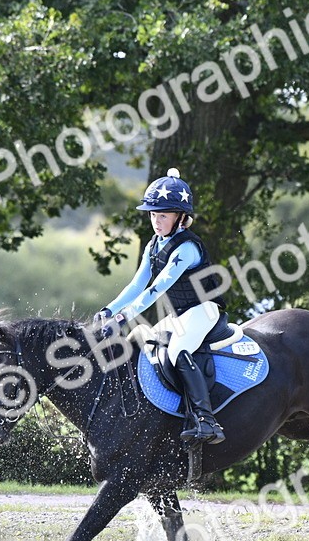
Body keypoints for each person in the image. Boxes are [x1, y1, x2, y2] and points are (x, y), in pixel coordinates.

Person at [94, 168, 226, 444]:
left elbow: (157, 289)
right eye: (153, 214)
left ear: (180, 217)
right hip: (180, 314)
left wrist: (123, 317)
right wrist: (109, 310)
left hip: (204, 310)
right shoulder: (154, 244)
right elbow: (137, 285)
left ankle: (206, 420)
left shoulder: (186, 248)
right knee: (143, 342)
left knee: (177, 350)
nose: (156, 221)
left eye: (163, 215)